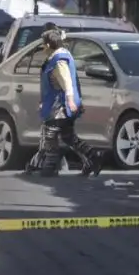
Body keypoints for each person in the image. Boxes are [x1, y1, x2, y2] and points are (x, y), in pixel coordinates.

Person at [26, 26, 102, 177]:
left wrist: (70, 100)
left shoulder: (59, 60)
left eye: (43, 44)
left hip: (59, 108)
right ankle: (93, 158)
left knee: (50, 137)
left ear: (48, 44)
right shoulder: (60, 56)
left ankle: (49, 167)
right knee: (68, 137)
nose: (42, 47)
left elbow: (66, 82)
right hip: (58, 106)